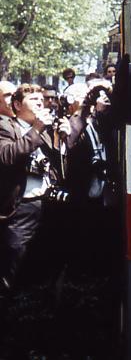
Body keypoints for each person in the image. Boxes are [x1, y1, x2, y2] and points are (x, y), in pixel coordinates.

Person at [0, 84, 59, 293]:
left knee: (41, 265)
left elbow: (58, 167)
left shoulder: (43, 130)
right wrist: (36, 130)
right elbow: (7, 156)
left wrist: (63, 139)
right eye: (34, 100)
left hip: (45, 202)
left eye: (41, 100)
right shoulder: (6, 126)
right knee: (14, 266)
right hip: (21, 207)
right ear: (17, 105)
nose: (41, 103)